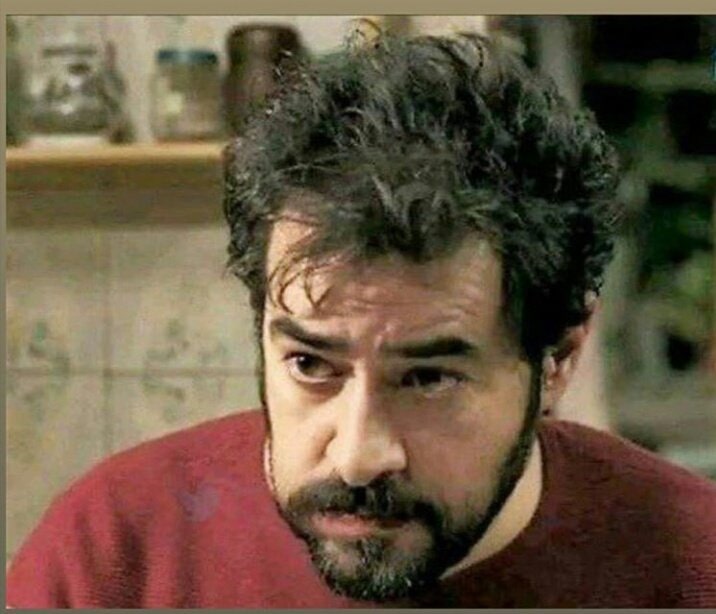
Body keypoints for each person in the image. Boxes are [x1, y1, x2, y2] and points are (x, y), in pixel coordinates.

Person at [7, 31, 716, 608]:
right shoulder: (111, 558)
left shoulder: (693, 564)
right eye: (311, 364)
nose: (356, 456)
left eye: (429, 378)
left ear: (557, 359)